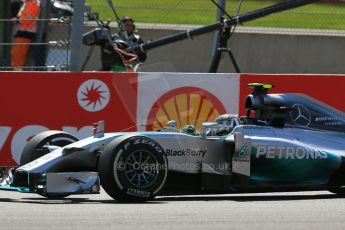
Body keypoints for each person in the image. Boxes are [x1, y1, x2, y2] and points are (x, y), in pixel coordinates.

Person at [11, 0, 40, 71]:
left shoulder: (32, 3)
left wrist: (17, 20)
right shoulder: (27, 3)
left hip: (26, 31)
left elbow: (28, 18)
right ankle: (16, 70)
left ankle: (17, 72)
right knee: (17, 54)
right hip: (24, 30)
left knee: (18, 54)